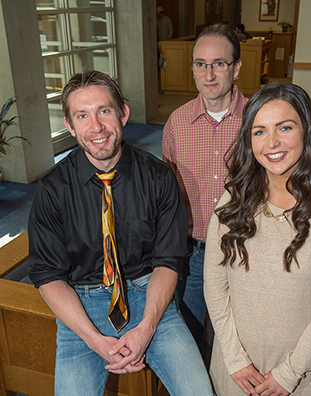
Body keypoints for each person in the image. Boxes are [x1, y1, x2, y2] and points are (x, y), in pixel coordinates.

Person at [28, 70, 213, 396]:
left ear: (123, 113)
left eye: (104, 111)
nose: (95, 127)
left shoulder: (159, 178)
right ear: (70, 126)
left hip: (150, 297)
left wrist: (147, 327)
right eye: (82, 116)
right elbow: (47, 275)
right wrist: (92, 338)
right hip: (80, 305)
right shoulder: (52, 190)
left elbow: (168, 261)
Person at [204, 82, 311, 396]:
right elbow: (215, 287)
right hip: (236, 372)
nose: (272, 143)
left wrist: (289, 374)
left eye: (284, 128)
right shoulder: (231, 202)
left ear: (307, 130)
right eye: (259, 131)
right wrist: (234, 357)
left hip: (301, 374)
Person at [162, 23, 247, 357]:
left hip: (245, 250)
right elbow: (166, 197)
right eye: (200, 63)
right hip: (194, 252)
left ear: (236, 67)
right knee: (192, 340)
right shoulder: (176, 124)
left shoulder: (258, 121)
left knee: (242, 341)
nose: (209, 74)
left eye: (219, 63)